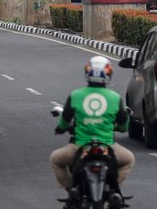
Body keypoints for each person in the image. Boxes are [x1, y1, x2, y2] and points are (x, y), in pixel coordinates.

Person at [50, 56, 135, 198]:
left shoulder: (75, 95)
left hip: (80, 147)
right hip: (107, 147)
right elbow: (123, 124)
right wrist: (118, 128)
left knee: (55, 159)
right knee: (129, 159)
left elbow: (64, 121)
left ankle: (71, 190)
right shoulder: (115, 98)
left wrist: (59, 129)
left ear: (87, 73)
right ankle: (115, 191)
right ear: (108, 74)